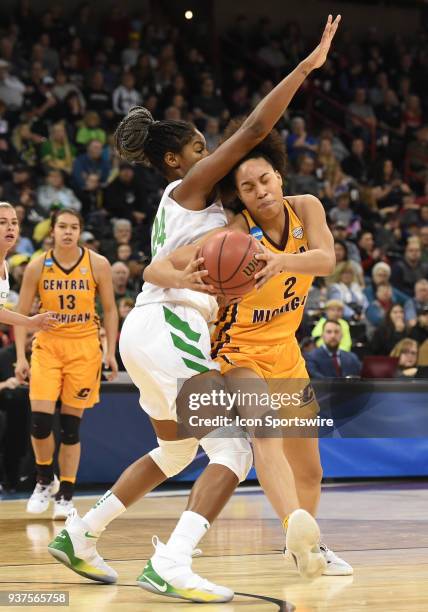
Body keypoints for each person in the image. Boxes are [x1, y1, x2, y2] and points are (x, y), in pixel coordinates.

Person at [47, 15, 341, 603]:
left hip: (149, 326)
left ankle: (81, 532)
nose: (213, 155)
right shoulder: (190, 188)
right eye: (201, 150)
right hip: (171, 327)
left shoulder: (207, 212)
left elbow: (161, 267)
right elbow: (257, 125)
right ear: (177, 163)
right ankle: (172, 562)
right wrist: (305, 68)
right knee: (232, 450)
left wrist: (203, 277)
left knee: (176, 450)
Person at [145, 123, 351, 577]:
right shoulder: (234, 235)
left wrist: (281, 261)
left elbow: (327, 259)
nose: (260, 191)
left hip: (287, 354)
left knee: (311, 471)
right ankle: (293, 533)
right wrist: (181, 277)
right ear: (239, 195)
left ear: (279, 176)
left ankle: (305, 544)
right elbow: (155, 268)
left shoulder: (307, 208)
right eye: (247, 187)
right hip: (238, 353)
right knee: (264, 431)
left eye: (265, 180)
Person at [14, 209, 118, 520]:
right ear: (53, 231)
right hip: (48, 347)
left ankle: (66, 495)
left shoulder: (98, 264)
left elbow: (111, 310)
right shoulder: (37, 265)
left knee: (71, 428)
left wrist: (110, 351)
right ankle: (45, 479)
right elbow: (21, 313)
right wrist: (20, 356)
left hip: (84, 349)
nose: (68, 232)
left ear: (80, 231)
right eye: (62, 226)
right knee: (40, 422)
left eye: (74, 227)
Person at [0, 202, 56, 332]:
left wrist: (30, 321)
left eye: (14, 223)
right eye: (2, 222)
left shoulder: (5, 265)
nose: (10, 227)